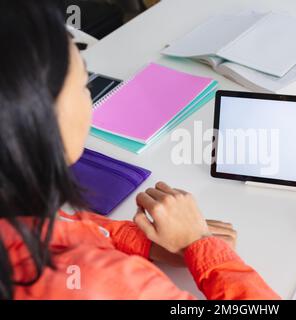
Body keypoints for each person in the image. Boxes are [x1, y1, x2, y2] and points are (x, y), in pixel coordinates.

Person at [0, 0, 280, 300]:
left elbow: (55, 227)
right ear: (37, 119)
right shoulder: (101, 281)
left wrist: (142, 241)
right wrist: (204, 247)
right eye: (84, 84)